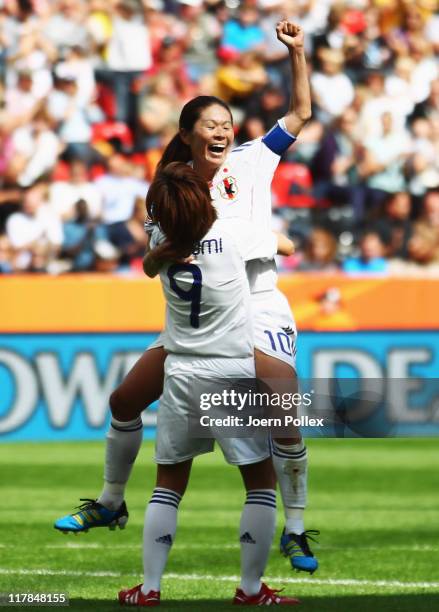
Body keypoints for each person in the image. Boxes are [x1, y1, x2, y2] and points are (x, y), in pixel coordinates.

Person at [55, 21, 318, 575]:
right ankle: (109, 501)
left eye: (227, 123)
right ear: (191, 132)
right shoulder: (173, 189)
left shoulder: (252, 160)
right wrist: (163, 256)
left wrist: (297, 52)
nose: (223, 131)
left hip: (258, 303)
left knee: (285, 418)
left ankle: (295, 530)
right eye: (212, 125)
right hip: (201, 318)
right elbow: (153, 260)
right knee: (125, 401)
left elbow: (299, 116)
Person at [118, 162, 299, 606]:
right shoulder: (233, 232)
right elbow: (288, 247)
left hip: (180, 372)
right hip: (231, 373)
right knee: (259, 484)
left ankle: (150, 589)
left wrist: (159, 249)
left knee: (168, 485)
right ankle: (251, 590)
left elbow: (146, 265)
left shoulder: (162, 243)